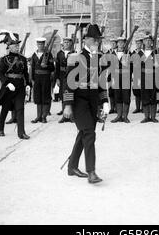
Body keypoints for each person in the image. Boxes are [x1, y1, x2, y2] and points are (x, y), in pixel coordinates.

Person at [63, 24, 109, 184]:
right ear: (86, 40)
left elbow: (102, 82)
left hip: (93, 103)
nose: (96, 41)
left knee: (83, 134)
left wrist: (105, 102)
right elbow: (69, 83)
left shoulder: (100, 58)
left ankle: (72, 167)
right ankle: (92, 172)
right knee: (89, 134)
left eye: (98, 39)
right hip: (78, 102)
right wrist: (68, 105)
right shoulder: (76, 57)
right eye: (94, 39)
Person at [0, 32, 31, 139]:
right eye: (15, 46)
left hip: (20, 86)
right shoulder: (4, 59)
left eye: (18, 46)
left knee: (20, 108)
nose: (17, 47)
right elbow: (0, 73)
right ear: (9, 47)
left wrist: (28, 84)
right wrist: (7, 83)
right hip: (9, 86)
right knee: (5, 108)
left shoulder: (23, 58)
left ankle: (21, 133)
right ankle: (0, 129)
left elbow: (25, 73)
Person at [30, 37, 55, 124]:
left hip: (45, 77)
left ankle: (44, 116)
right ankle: (38, 116)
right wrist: (32, 79)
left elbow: (53, 67)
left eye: (42, 44)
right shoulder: (34, 55)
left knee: (45, 97)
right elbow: (32, 68)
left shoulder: (48, 54)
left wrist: (47, 66)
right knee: (38, 97)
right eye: (39, 44)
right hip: (37, 78)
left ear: (44, 45)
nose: (40, 45)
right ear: (37, 44)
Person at [139, 33, 159, 123]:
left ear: (152, 42)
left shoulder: (156, 52)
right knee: (145, 96)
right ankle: (146, 116)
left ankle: (153, 117)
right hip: (144, 76)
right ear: (143, 42)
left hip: (153, 76)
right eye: (146, 40)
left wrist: (157, 63)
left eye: (149, 41)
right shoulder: (140, 53)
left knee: (153, 96)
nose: (148, 42)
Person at [110, 34, 132, 123]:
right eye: (119, 42)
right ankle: (119, 115)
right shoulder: (113, 53)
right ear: (117, 44)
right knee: (117, 96)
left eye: (123, 42)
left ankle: (125, 116)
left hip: (126, 77)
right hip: (116, 77)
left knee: (126, 97)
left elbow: (133, 66)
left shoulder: (128, 53)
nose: (121, 44)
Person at [55, 36, 75, 123]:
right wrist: (57, 79)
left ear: (71, 43)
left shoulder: (75, 53)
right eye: (65, 42)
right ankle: (64, 115)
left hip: (71, 75)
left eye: (68, 42)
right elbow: (57, 67)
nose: (66, 44)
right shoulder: (59, 54)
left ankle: (71, 115)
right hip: (62, 76)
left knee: (70, 94)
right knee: (63, 95)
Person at [132, 37, 144, 113]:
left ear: (142, 44)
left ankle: (143, 107)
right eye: (137, 43)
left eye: (139, 43)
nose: (138, 45)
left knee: (142, 91)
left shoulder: (143, 53)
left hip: (142, 73)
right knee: (136, 92)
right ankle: (137, 107)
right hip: (135, 73)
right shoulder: (133, 53)